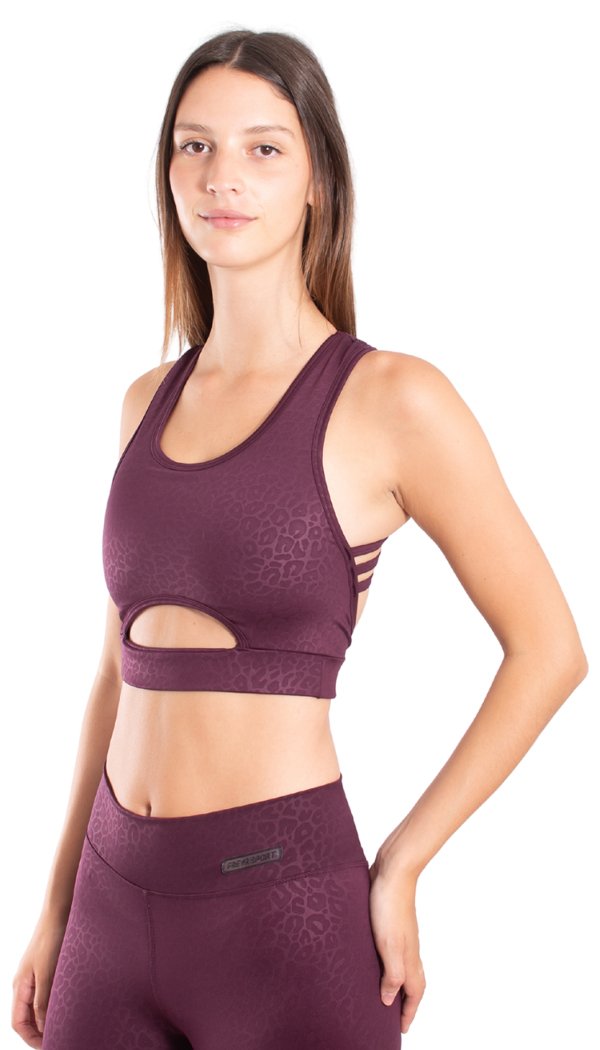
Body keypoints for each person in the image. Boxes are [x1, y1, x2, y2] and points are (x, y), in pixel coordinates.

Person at [11, 27, 588, 1050]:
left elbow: (550, 650)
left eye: (264, 148)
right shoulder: (144, 402)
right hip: (109, 908)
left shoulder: (393, 400)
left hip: (284, 913)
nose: (221, 176)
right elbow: (115, 673)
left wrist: (403, 862)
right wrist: (54, 906)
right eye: (194, 146)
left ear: (318, 179)